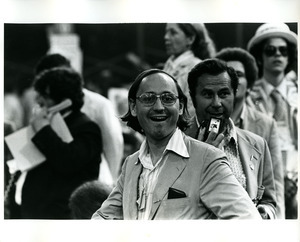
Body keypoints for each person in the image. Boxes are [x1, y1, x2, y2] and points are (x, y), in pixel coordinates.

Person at [92, 69, 262, 220]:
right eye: (148, 98)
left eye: (167, 98)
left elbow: (248, 219)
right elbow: (103, 218)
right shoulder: (131, 164)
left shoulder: (207, 159)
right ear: (134, 107)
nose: (159, 107)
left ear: (180, 107)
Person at [186, 59, 277, 219]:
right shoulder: (176, 141)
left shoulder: (257, 144)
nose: (216, 103)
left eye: (223, 94)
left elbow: (269, 201)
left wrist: (263, 214)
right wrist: (200, 160)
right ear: (193, 98)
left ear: (234, 95)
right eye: (207, 94)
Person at [22, 53, 124, 184]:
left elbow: (113, 145)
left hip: (91, 180)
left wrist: (112, 178)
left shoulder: (99, 105)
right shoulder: (42, 106)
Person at [20, 67, 102, 219]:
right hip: (36, 215)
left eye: (45, 95)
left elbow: (68, 161)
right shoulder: (45, 123)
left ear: (64, 101)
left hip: (62, 216)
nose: (38, 100)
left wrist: (43, 129)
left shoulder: (87, 128)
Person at [215, 47, 285, 218]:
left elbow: (275, 185)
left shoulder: (266, 125)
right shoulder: (204, 120)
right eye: (227, 74)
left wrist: (270, 217)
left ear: (250, 83)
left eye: (238, 74)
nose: (232, 80)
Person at [247, 23, 298, 218]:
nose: (278, 55)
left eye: (283, 51)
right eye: (270, 50)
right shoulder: (251, 97)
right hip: (266, 180)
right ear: (260, 57)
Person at [163, 23, 216, 118]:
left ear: (190, 39)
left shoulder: (198, 68)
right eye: (166, 32)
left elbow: (193, 110)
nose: (166, 37)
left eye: (173, 33)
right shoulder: (169, 66)